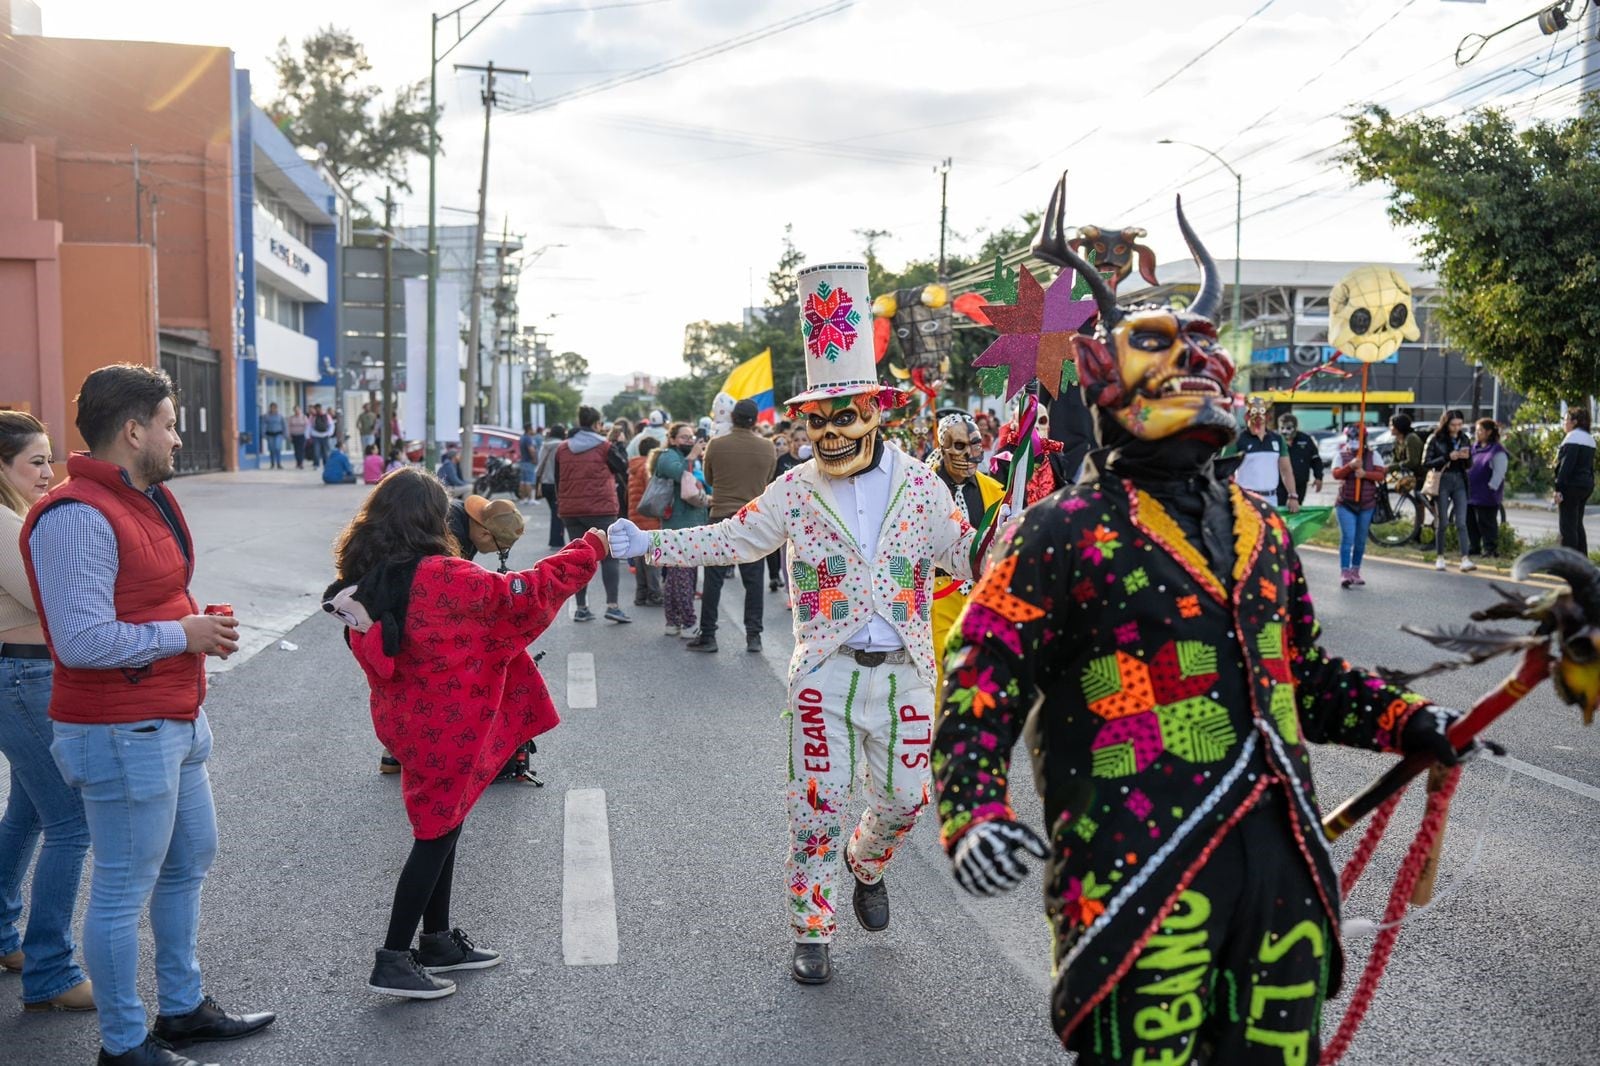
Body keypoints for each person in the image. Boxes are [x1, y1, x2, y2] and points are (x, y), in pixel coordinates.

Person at [931, 209, 1459, 1064]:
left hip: (1279, 868)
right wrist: (974, 812)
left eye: (1197, 358)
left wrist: (1407, 720)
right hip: (1138, 868)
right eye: (1158, 356)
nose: (1187, 373)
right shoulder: (1060, 531)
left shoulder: (1262, 528)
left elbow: (1303, 674)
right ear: (1106, 383)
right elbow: (981, 678)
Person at [608, 262, 978, 986]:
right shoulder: (795, 488)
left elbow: (963, 554)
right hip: (825, 672)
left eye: (844, 416)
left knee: (908, 799)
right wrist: (652, 542)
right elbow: (732, 537)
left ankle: (865, 861)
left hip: (905, 672)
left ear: (878, 410)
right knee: (813, 808)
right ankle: (812, 929)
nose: (829, 432)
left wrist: (1008, 544)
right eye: (816, 419)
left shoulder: (923, 484)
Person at [21, 364, 275, 1066]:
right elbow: (79, 639)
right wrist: (182, 637)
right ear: (133, 431)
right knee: (122, 887)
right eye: (167, 423)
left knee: (189, 858)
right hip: (119, 729)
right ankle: (125, 1045)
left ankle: (183, 1009)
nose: (176, 436)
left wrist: (192, 639)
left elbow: (149, 597)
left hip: (169, 715)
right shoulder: (75, 515)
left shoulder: (145, 498)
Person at [323, 469, 605, 1001]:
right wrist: (586, 550)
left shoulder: (367, 578)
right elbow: (524, 594)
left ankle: (437, 940)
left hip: (404, 721)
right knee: (434, 836)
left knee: (444, 823)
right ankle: (392, 958)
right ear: (432, 520)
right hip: (448, 725)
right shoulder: (446, 575)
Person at [0, 412, 94, 1014]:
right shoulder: (7, 526)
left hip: (27, 673)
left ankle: (5, 934)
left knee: (31, 810)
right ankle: (52, 972)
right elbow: (50, 599)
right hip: (24, 675)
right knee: (72, 821)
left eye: (49, 458)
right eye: (35, 460)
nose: (49, 471)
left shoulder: (18, 521)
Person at [926, 413, 1006, 697]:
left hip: (979, 595)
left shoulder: (995, 492)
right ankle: (934, 733)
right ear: (943, 447)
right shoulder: (924, 488)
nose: (970, 455)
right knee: (937, 667)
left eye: (975, 445)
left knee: (978, 665)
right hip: (938, 592)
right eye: (959, 446)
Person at [687, 399, 776, 654]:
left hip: (721, 517)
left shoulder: (717, 444)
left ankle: (708, 635)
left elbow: (710, 478)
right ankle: (754, 636)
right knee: (754, 580)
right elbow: (767, 479)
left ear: (732, 418)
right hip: (753, 519)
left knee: (713, 581)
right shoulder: (767, 447)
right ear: (756, 420)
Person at [555, 407, 631, 624]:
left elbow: (558, 478)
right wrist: (620, 444)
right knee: (608, 556)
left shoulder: (562, 448)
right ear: (597, 424)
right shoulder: (605, 447)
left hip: (571, 510)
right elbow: (622, 466)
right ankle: (613, 606)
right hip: (601, 509)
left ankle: (581, 608)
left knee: (579, 556)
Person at [648, 423, 709, 637]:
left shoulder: (691, 457)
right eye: (683, 437)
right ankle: (689, 623)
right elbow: (679, 473)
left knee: (679, 577)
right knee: (681, 576)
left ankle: (673, 621)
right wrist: (692, 455)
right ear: (672, 439)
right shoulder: (667, 456)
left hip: (692, 524)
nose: (689, 440)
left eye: (691, 437)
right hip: (676, 526)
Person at [1333, 424, 1386, 588]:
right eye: (1351, 437)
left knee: (1360, 539)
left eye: (1358, 438)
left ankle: (1355, 571)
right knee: (1348, 537)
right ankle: (1345, 572)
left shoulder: (1373, 454)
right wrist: (1350, 466)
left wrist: (1365, 474)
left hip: (1367, 504)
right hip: (1345, 504)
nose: (1354, 441)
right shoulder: (1341, 455)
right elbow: (1336, 474)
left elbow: (1381, 475)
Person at [1423, 409, 1474, 571]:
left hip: (1460, 480)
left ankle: (1465, 559)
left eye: (1460, 424)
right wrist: (1446, 457)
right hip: (1442, 481)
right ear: (1446, 423)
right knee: (1443, 521)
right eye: (1453, 424)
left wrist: (1467, 458)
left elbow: (1469, 465)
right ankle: (1440, 557)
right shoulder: (1435, 438)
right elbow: (1426, 462)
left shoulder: (1464, 438)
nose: (1457, 428)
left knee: (1461, 522)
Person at [1231, 396, 1298, 511]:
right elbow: (1225, 471)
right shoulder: (1236, 439)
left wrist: (1292, 495)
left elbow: (1286, 470)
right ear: (1247, 416)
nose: (1257, 416)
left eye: (1261, 412)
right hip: (1245, 499)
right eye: (1253, 412)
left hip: (1271, 499)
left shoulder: (1277, 439)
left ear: (1267, 416)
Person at [765, 424, 810, 592]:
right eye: (796, 440)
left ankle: (806, 589)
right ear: (791, 441)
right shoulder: (782, 461)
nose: (799, 443)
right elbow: (772, 485)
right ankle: (791, 592)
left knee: (807, 555)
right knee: (788, 554)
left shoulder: (812, 460)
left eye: (804, 440)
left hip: (809, 515)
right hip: (787, 514)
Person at [625, 437, 664, 608]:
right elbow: (654, 493)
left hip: (635, 515)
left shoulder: (633, 467)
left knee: (640, 558)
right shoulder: (647, 468)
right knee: (652, 558)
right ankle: (654, 594)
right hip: (649, 517)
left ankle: (640, 594)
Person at [1554, 406, 1595, 554]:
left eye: (1565, 420)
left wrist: (1558, 489)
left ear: (1574, 422)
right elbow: (1590, 467)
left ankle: (1568, 565)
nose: (1564, 423)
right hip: (1586, 486)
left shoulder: (1572, 437)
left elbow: (1566, 466)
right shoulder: (1590, 439)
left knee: (1567, 527)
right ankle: (1582, 562)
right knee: (1577, 524)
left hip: (1571, 486)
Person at [1467, 418, 1508, 561]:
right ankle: (1474, 547)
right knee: (1470, 521)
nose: (1477, 433)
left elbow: (1499, 472)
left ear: (1489, 432)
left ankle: (1490, 549)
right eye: (1476, 430)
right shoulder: (1475, 447)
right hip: (1471, 492)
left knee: (1486, 523)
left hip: (1486, 493)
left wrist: (1492, 487)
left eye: (1480, 431)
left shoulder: (1497, 450)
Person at [1276, 412, 1323, 505]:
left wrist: (1318, 477)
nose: (1285, 431)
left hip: (1300, 484)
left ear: (1296, 427)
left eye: (1288, 428)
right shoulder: (1274, 440)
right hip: (1278, 484)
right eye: (1282, 428)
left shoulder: (1305, 439)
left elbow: (1315, 460)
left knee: (1296, 509)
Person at [534, 425, 566, 548]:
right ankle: (557, 541)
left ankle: (556, 540)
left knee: (555, 511)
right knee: (557, 512)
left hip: (545, 484)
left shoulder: (544, 445)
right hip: (557, 484)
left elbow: (539, 465)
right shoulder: (563, 446)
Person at [1388, 412, 1424, 481]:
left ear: (1399, 426)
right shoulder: (1397, 441)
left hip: (1419, 477)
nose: (1390, 428)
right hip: (1407, 477)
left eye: (1391, 425)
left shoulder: (1411, 438)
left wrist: (1390, 468)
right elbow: (1395, 460)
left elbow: (1412, 462)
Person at [307, 403, 335, 469]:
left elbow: (309, 427)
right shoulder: (315, 416)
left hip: (321, 436)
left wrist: (307, 435)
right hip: (320, 436)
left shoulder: (323, 416)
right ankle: (321, 465)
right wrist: (330, 433)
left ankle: (319, 465)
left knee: (320, 451)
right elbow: (331, 425)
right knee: (322, 451)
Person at [259, 403, 286, 470]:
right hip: (270, 434)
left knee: (277, 448)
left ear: (277, 408)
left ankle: (279, 463)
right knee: (271, 449)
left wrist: (285, 434)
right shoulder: (266, 416)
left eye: (275, 407)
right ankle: (272, 463)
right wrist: (263, 434)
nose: (273, 409)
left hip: (278, 434)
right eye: (272, 407)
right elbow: (263, 425)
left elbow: (284, 425)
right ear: (270, 408)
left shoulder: (280, 416)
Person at [517, 423, 540, 501]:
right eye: (532, 429)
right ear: (529, 429)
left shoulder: (522, 438)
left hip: (523, 461)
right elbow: (531, 450)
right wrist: (534, 459)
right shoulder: (528, 438)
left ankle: (523, 499)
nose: (533, 430)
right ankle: (531, 499)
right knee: (529, 481)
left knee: (523, 481)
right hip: (529, 462)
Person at [287, 405, 309, 470]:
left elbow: (308, 426)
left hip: (302, 435)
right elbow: (288, 427)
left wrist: (307, 435)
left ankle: (301, 463)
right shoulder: (291, 418)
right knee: (296, 450)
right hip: (294, 435)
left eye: (298, 410)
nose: (297, 411)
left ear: (300, 410)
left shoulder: (304, 417)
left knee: (301, 449)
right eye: (295, 410)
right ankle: (298, 462)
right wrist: (289, 435)